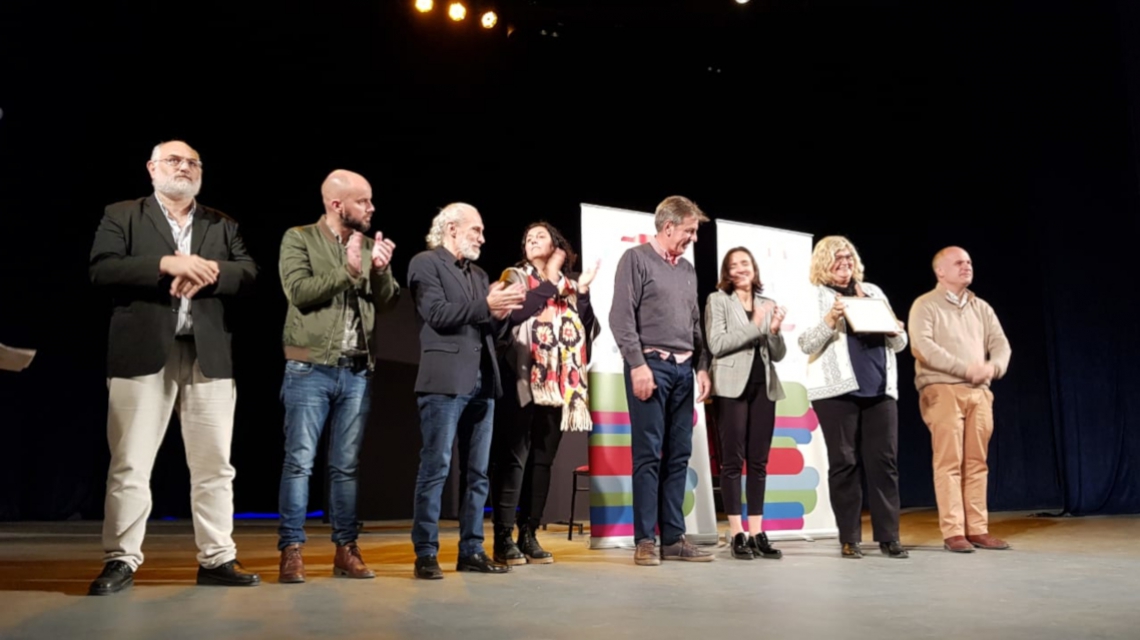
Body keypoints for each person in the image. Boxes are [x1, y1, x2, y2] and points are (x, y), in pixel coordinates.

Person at [87, 140, 260, 595]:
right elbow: (102, 269)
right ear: (152, 168)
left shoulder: (221, 223)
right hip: (141, 355)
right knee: (130, 464)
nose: (184, 167)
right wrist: (167, 263)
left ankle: (217, 558)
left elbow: (249, 273)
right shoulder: (122, 214)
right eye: (174, 161)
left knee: (215, 466)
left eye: (192, 162)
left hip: (208, 356)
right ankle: (120, 559)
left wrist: (208, 270)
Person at [275, 169, 400, 583]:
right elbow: (299, 292)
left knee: (345, 466)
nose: (371, 207)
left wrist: (380, 270)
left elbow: (387, 303)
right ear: (336, 204)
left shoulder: (369, 245)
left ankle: (346, 548)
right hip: (308, 366)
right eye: (363, 201)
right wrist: (347, 271)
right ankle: (291, 550)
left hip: (356, 370)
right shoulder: (299, 238)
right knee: (299, 462)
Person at [407, 203, 527, 579]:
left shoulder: (480, 275)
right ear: (452, 228)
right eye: (476, 229)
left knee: (478, 473)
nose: (482, 237)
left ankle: (472, 550)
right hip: (444, 381)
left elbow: (487, 328)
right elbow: (437, 314)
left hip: (482, 382)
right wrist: (485, 305)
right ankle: (426, 552)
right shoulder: (425, 264)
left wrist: (500, 316)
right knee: (436, 468)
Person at [609, 195, 713, 566]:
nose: (694, 238)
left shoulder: (687, 270)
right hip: (651, 366)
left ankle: (673, 538)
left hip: (684, 371)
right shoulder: (635, 259)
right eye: (690, 231)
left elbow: (694, 324)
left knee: (679, 455)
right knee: (648, 455)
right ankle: (645, 540)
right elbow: (621, 317)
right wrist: (637, 365)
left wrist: (702, 367)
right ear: (668, 227)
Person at [490, 222, 600, 565]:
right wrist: (550, 280)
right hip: (521, 379)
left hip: (557, 386)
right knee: (514, 459)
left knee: (542, 461)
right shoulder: (515, 277)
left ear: (557, 245)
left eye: (540, 236)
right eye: (528, 238)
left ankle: (529, 533)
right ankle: (503, 537)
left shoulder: (568, 287)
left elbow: (586, 331)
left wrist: (582, 293)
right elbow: (516, 313)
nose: (532, 240)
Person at [797, 236, 909, 559]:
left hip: (880, 388)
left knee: (884, 463)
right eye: (837, 258)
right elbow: (805, 344)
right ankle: (849, 538)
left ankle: (889, 536)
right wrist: (830, 319)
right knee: (844, 463)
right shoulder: (814, 296)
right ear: (823, 263)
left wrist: (897, 330)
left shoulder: (873, 292)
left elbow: (900, 344)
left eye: (848, 257)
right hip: (836, 392)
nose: (844, 263)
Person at [908, 246, 1012, 553]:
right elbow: (922, 346)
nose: (966, 266)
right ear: (940, 271)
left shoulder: (981, 307)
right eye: (958, 263)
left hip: (979, 392)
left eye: (968, 262)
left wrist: (994, 367)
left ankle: (977, 528)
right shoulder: (926, 304)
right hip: (942, 389)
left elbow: (1001, 344)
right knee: (949, 461)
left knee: (977, 463)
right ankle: (954, 530)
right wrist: (964, 368)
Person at [704, 247, 787, 560]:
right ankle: (737, 532)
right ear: (727, 272)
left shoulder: (767, 303)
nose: (741, 268)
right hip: (730, 386)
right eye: (734, 265)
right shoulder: (718, 300)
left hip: (763, 387)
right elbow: (717, 344)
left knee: (758, 462)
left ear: (754, 268)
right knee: (732, 460)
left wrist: (774, 331)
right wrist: (754, 324)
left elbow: (777, 354)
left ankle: (756, 532)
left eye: (745, 263)